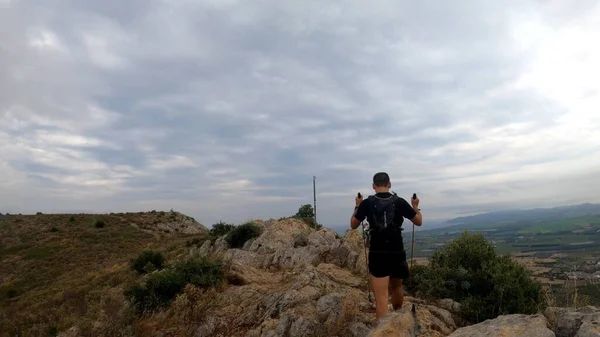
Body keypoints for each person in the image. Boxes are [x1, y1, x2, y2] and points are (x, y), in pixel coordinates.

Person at [350, 172, 423, 320]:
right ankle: (397, 317)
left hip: (377, 253)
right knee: (397, 287)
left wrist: (357, 206)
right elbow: (418, 221)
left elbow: (353, 224)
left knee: (382, 299)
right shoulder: (399, 202)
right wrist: (415, 206)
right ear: (389, 184)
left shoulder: (367, 203)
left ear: (373, 186)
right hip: (397, 250)